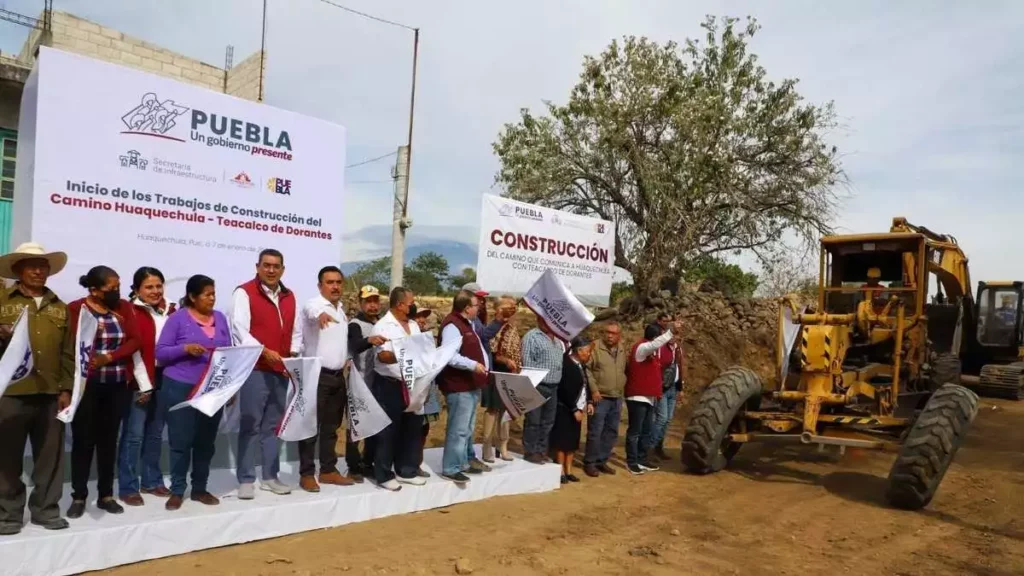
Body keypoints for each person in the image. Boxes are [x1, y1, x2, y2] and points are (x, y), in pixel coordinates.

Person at [0, 243, 72, 535]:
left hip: (50, 394)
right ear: (17, 269)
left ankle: (45, 510)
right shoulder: (3, 302)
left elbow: (69, 352)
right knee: (6, 456)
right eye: (31, 265)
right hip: (11, 394)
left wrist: (66, 389)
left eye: (43, 266)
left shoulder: (60, 306)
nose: (39, 270)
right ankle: (8, 514)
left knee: (50, 457)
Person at [65, 265, 143, 518]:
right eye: (112, 287)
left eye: (118, 285)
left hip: (117, 384)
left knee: (109, 441)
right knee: (83, 440)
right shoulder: (77, 309)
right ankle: (78, 496)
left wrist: (109, 356)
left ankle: (106, 494)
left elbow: (135, 340)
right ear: (95, 290)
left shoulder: (123, 308)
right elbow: (70, 343)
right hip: (87, 386)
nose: (117, 291)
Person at [155, 275, 232, 510]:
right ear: (192, 296)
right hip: (180, 386)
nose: (212, 298)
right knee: (180, 441)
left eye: (213, 293)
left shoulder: (219, 318)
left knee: (205, 442)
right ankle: (177, 490)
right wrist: (185, 348)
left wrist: (229, 387)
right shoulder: (177, 319)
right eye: (207, 294)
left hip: (212, 389)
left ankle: (200, 488)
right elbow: (161, 352)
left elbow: (228, 352)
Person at [230, 248, 302, 499]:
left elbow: (295, 330)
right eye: (266, 265)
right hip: (255, 368)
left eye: (276, 266)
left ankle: (270, 476)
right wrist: (263, 351)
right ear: (257, 267)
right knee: (250, 423)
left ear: (282, 269)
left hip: (280, 370)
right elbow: (239, 330)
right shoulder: (244, 292)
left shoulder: (289, 295)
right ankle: (246, 478)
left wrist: (293, 351)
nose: (271, 270)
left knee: (272, 426)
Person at [118, 266, 175, 506]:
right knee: (134, 435)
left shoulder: (174, 309)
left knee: (154, 433)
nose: (155, 291)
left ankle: (151, 481)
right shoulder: (129, 311)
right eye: (148, 287)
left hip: (165, 377)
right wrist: (144, 385)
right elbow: (134, 350)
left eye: (158, 286)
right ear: (137, 289)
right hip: (139, 378)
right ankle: (128, 486)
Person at [297, 266, 356, 492]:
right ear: (320, 285)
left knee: (332, 427)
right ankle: (306, 473)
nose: (335, 286)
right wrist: (319, 314)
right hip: (317, 376)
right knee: (311, 427)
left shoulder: (340, 310)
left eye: (339, 282)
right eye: (330, 282)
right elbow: (311, 310)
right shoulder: (313, 305)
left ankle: (329, 470)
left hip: (337, 376)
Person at [368, 287, 424, 491]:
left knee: (411, 427)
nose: (413, 305)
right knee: (388, 431)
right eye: (411, 302)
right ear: (400, 305)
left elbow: (420, 349)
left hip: (414, 383)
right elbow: (382, 356)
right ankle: (383, 474)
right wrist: (405, 353)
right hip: (389, 384)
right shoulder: (383, 326)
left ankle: (406, 470)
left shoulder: (413, 325)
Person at [437, 290, 490, 485]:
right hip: (459, 386)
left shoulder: (468, 324)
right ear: (467, 307)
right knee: (458, 429)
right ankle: (451, 468)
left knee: (467, 428)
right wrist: (473, 365)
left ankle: (463, 463)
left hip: (471, 385)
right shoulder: (452, 325)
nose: (480, 308)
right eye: (477, 305)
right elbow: (450, 355)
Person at [346, 285, 388, 483]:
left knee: (375, 424)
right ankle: (353, 467)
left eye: (375, 301)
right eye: (368, 302)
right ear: (361, 303)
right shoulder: (355, 324)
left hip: (378, 383)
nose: (372, 305)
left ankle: (367, 463)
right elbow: (354, 346)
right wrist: (369, 340)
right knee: (355, 426)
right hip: (359, 383)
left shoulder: (382, 323)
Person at [624, 322, 677, 475]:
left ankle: (642, 459)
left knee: (646, 431)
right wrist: (669, 333)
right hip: (637, 397)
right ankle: (632, 462)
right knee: (635, 432)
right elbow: (654, 345)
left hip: (649, 398)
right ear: (654, 337)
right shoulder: (641, 348)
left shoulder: (649, 352)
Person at [461, 282, 501, 468]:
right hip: (468, 376)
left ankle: (467, 456)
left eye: (484, 299)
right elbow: (484, 336)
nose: (483, 302)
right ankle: (463, 459)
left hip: (477, 375)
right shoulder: (468, 321)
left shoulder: (476, 319)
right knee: (464, 423)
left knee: (469, 421)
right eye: (479, 299)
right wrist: (499, 320)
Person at [583, 320, 627, 477]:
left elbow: (623, 370)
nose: (609, 336)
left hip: (616, 397)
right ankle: (590, 462)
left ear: (619, 336)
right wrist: (593, 390)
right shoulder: (595, 347)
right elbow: (586, 370)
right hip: (600, 398)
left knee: (611, 431)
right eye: (607, 332)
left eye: (613, 333)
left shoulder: (621, 349)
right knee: (595, 431)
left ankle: (602, 460)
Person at [520, 315, 565, 464]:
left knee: (548, 421)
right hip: (537, 385)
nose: (548, 322)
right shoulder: (531, 337)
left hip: (553, 387)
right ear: (539, 319)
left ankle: (541, 450)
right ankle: (530, 451)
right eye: (544, 320)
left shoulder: (558, 340)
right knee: (533, 421)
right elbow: (527, 362)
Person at [550, 336, 595, 484]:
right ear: (578, 350)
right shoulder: (567, 364)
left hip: (579, 408)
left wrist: (588, 402)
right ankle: (560, 470)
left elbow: (585, 385)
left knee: (572, 441)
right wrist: (574, 409)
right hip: (565, 408)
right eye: (587, 351)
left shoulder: (582, 365)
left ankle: (569, 470)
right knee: (562, 441)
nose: (589, 354)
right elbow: (564, 389)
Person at [483, 296, 520, 462]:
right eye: (509, 307)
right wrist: (505, 360)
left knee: (506, 411)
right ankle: (487, 446)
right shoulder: (493, 327)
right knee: (492, 410)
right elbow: (492, 352)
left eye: (513, 307)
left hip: (511, 374)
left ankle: (502, 445)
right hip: (496, 373)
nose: (512, 310)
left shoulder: (513, 328)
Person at [411, 304, 441, 477]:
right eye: (418, 316)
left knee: (423, 429)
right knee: (412, 429)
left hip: (428, 391)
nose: (422, 320)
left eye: (424, 317)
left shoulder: (428, 339)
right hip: (414, 392)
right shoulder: (408, 338)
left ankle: (417, 463)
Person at [652, 321, 687, 461]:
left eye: (676, 333)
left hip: (673, 387)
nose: (674, 336)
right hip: (662, 388)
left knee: (667, 420)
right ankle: (649, 447)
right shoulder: (659, 348)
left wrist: (681, 388)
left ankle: (658, 447)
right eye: (672, 333)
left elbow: (680, 368)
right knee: (661, 419)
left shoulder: (678, 349)